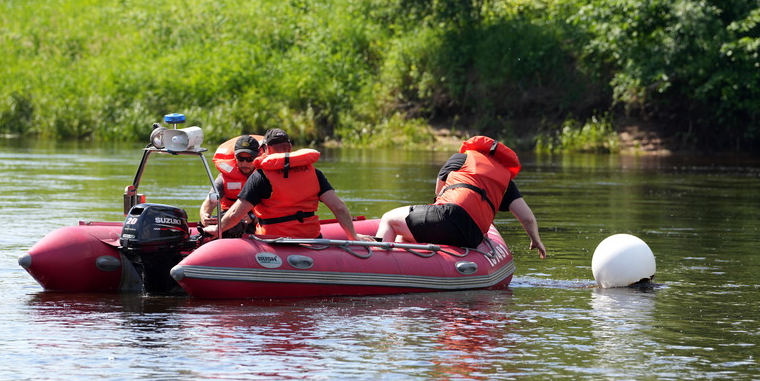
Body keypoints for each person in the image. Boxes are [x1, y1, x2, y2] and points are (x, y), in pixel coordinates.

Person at [374, 136, 546, 258]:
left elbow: (439, 191)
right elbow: (527, 218)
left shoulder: (462, 158)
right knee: (406, 235)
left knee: (389, 219)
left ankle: (377, 264)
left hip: (448, 216)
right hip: (473, 236)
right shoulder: (506, 181)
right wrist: (536, 240)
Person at [202, 128, 364, 240]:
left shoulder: (260, 176)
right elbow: (339, 208)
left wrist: (217, 229)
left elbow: (235, 214)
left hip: (272, 241)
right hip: (311, 238)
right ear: (291, 148)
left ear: (264, 149)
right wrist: (353, 236)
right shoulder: (314, 172)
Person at [199, 134, 262, 237]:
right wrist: (204, 216)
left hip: (258, 222)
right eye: (240, 158)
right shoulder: (224, 177)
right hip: (230, 222)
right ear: (234, 157)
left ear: (258, 157)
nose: (244, 163)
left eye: (249, 159)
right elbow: (210, 202)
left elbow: (276, 208)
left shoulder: (265, 176)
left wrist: (253, 218)